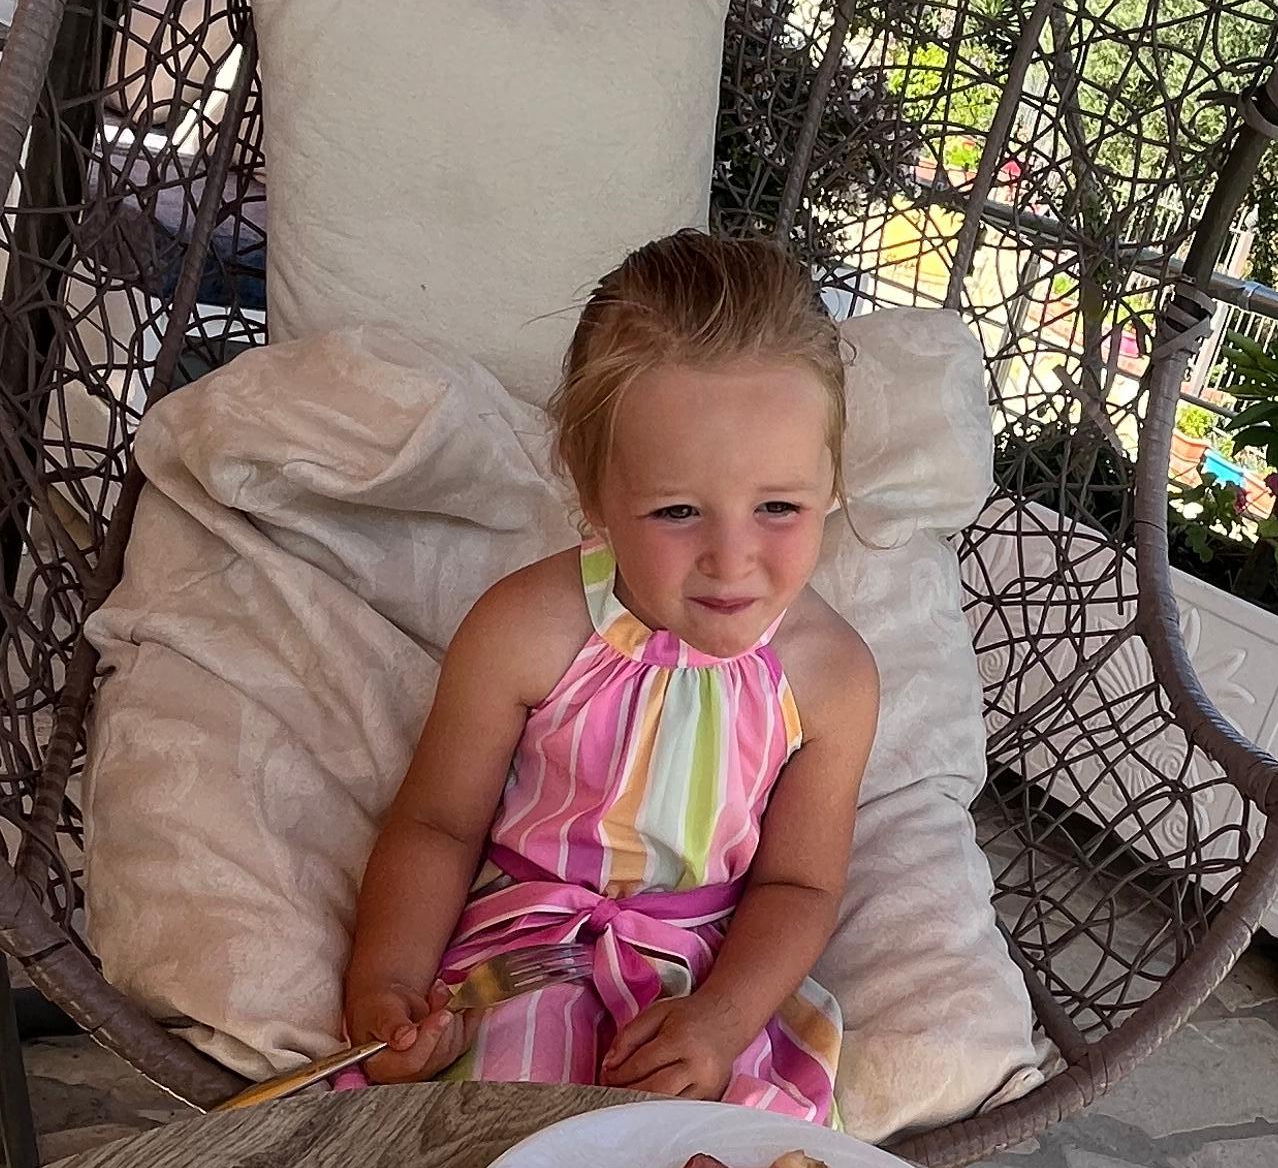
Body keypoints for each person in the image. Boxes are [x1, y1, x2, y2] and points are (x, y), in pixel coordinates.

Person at [338, 229, 877, 1116]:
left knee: (714, 1167)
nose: (731, 559)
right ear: (593, 498)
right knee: (493, 1121)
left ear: (831, 482)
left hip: (709, 973)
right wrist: (387, 983)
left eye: (779, 506)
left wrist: (722, 1020)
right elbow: (437, 823)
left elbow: (798, 883)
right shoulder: (526, 630)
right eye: (677, 510)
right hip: (523, 948)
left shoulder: (829, 679)